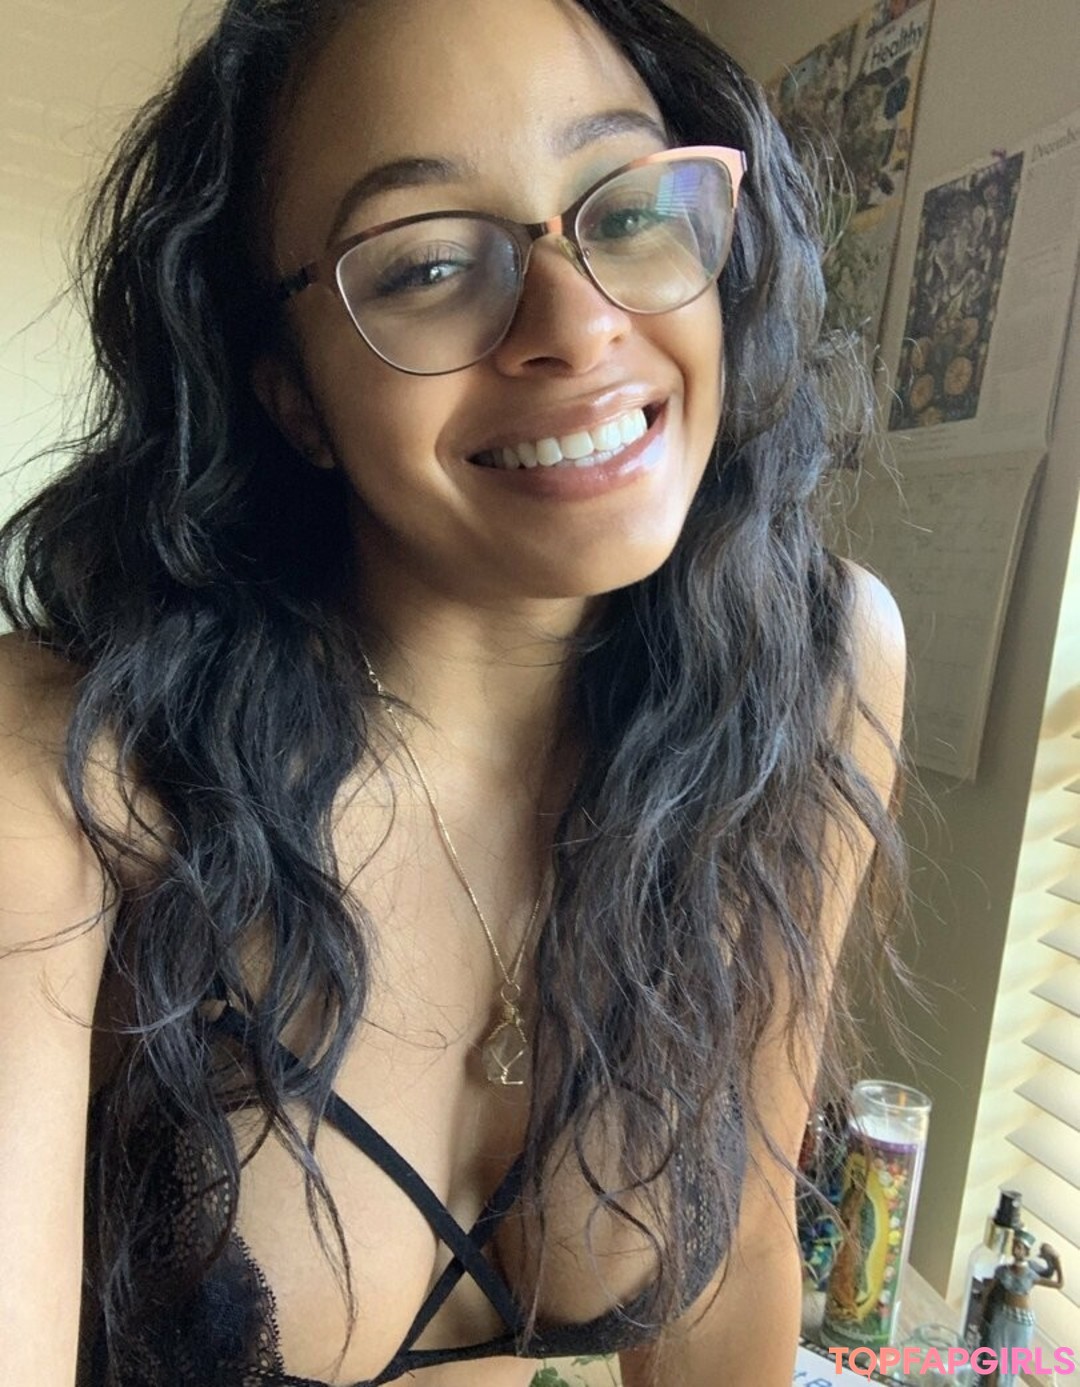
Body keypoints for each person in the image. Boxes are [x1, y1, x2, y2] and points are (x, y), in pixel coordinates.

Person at [0, 0, 907, 1384]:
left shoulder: (814, 672)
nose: (578, 323)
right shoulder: (70, 772)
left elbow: (733, 1274)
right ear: (290, 392)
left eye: (627, 208)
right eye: (428, 263)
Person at [983, 1232, 1065, 1387]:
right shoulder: (1002, 1270)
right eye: (1014, 1245)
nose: (1016, 1249)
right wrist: (982, 1311)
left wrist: (1056, 1259)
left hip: (1021, 1321)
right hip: (1003, 1315)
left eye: (1019, 1247)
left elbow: (1059, 1284)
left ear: (1026, 1251)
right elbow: (988, 1291)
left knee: (1013, 1362)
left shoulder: (1030, 1274)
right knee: (994, 1356)